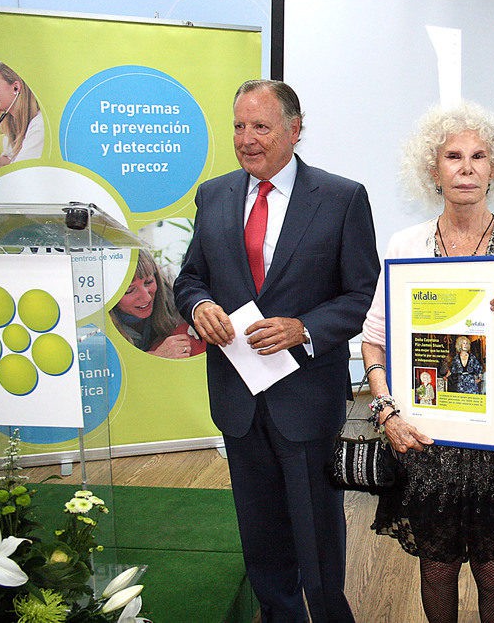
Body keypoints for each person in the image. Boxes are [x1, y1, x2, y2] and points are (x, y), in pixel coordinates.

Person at [174, 79, 379, 622]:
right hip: (238, 401)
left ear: (295, 129)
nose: (247, 139)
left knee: (317, 541)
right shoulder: (214, 194)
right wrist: (198, 308)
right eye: (239, 126)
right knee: (261, 540)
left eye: (260, 126)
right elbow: (190, 278)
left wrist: (303, 328)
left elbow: (361, 293)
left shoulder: (342, 198)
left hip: (306, 401)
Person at [361, 101, 494, 623]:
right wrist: (387, 412)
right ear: (433, 169)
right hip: (425, 426)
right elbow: (375, 343)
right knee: (436, 563)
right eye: (453, 156)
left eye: (478, 156)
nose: (466, 167)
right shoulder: (406, 246)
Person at [110, 248, 204, 359]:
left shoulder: (176, 300)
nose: (146, 297)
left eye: (148, 282)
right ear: (110, 295)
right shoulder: (100, 328)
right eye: (129, 290)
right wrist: (154, 358)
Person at [0, 62, 43, 174]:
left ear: (15, 87)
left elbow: (18, 174)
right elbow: (10, 162)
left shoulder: (39, 125)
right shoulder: (16, 123)